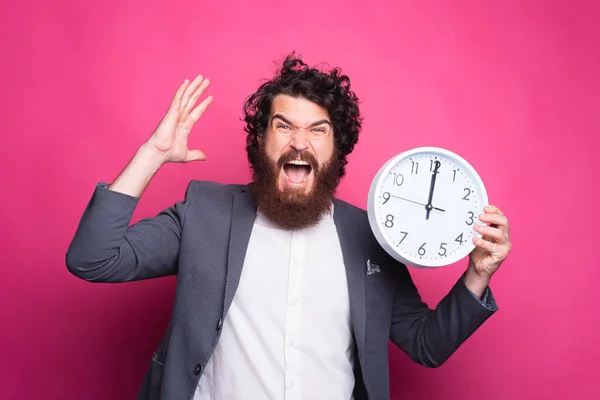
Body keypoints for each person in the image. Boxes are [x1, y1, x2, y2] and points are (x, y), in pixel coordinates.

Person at [66, 53, 512, 400]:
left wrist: (478, 273)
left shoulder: (370, 236)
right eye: (283, 126)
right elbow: (93, 258)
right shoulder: (205, 212)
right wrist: (154, 153)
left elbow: (425, 344)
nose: (299, 142)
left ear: (337, 149)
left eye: (318, 131)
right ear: (261, 140)